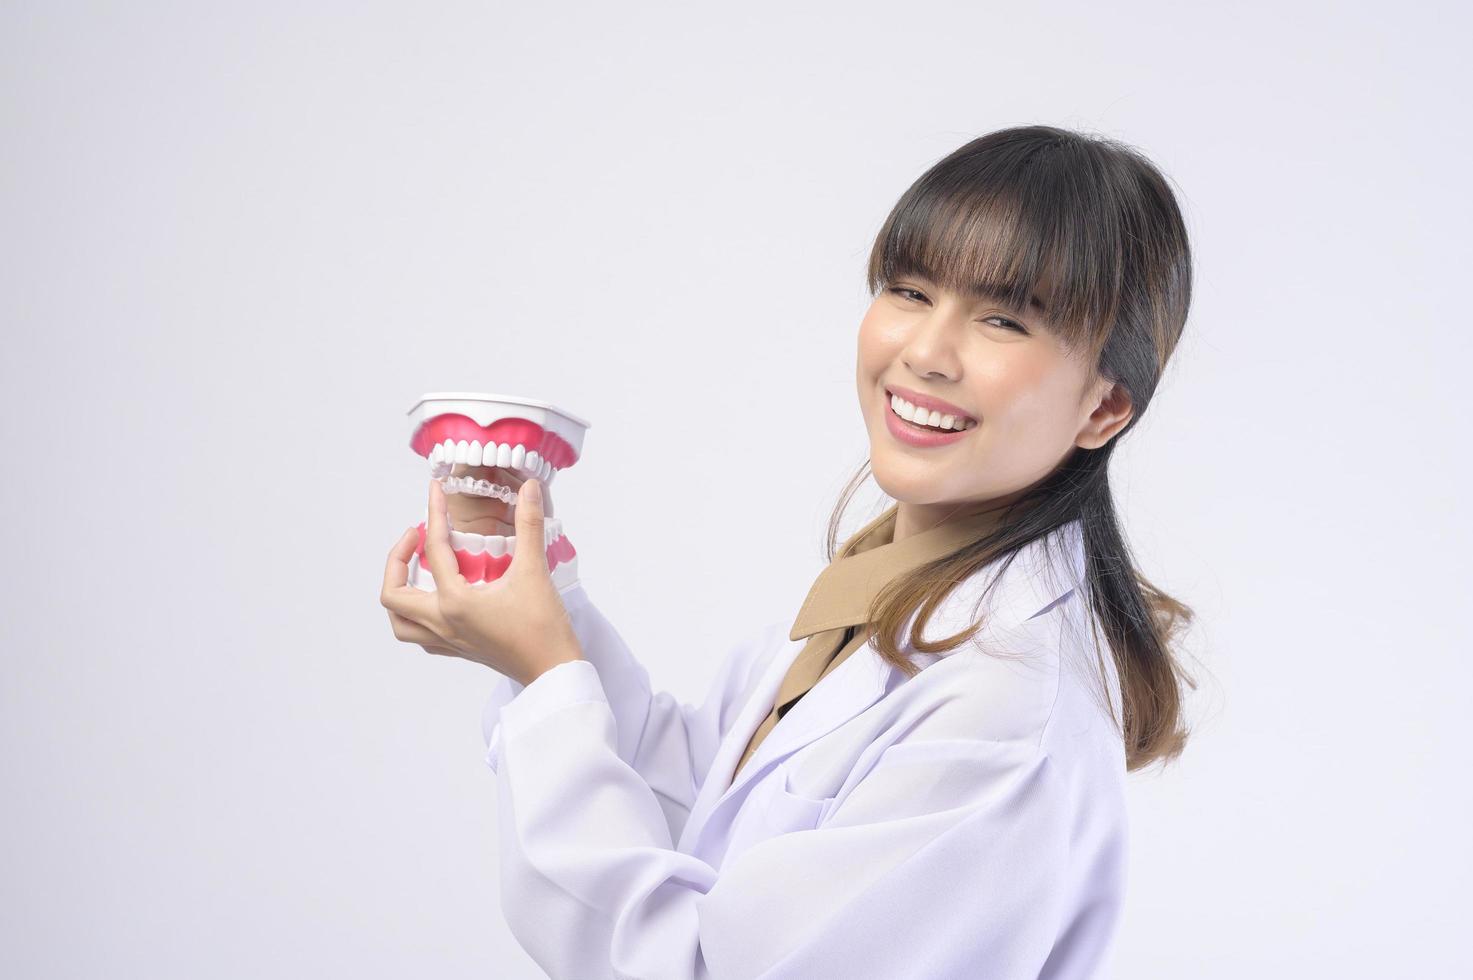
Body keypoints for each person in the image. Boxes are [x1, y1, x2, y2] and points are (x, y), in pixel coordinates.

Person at [380, 123, 1197, 979]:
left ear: (1104, 407)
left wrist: (549, 677)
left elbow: (694, 964)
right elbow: (696, 812)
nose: (923, 352)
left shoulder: (1004, 716)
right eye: (910, 291)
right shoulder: (880, 593)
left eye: (1001, 319)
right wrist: (539, 610)